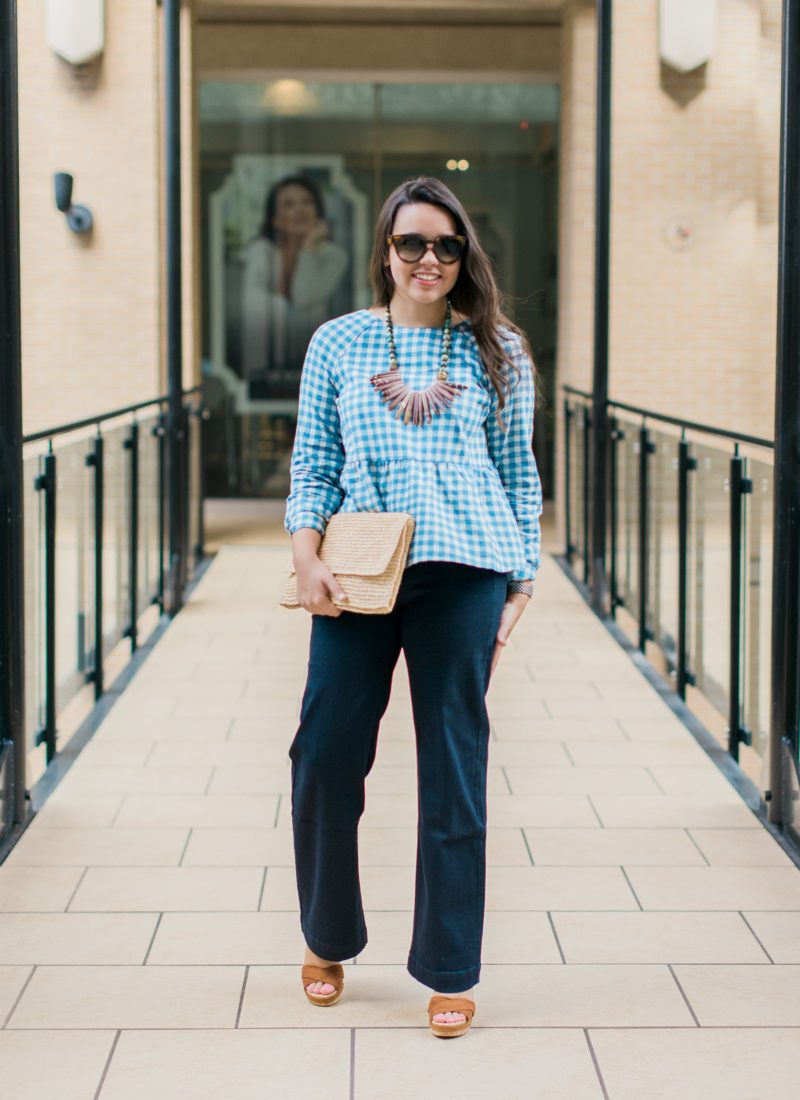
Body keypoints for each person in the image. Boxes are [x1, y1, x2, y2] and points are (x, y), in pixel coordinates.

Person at [283, 175, 542, 1039]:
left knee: (454, 770)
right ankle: (327, 934)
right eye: (411, 244)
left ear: (464, 256)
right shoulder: (340, 344)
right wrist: (306, 556)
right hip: (359, 572)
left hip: (464, 572)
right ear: (384, 252)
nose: (428, 259)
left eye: (445, 245)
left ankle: (449, 966)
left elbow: (518, 473)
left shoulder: (497, 348)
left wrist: (522, 583)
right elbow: (312, 462)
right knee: (323, 753)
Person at [240, 175, 348, 393]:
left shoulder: (334, 256)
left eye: (307, 202)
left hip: (317, 359)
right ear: (274, 218)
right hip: (265, 359)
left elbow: (304, 298)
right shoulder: (260, 251)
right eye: (289, 204)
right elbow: (255, 309)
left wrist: (308, 250)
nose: (300, 210)